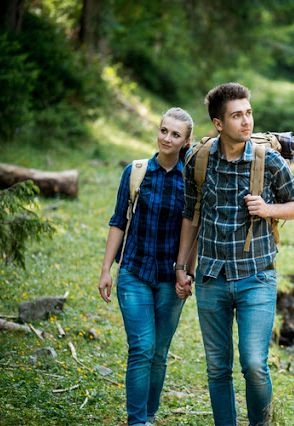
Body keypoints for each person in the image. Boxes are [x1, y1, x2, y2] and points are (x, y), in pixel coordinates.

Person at [174, 83, 294, 425]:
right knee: (218, 368)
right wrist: (182, 267)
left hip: (257, 276)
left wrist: (267, 209)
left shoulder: (269, 160)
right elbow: (191, 216)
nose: (246, 121)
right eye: (237, 116)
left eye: (248, 113)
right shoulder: (197, 160)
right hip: (211, 278)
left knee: (253, 364)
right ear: (218, 124)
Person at [98, 107, 196, 426]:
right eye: (163, 130)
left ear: (186, 141)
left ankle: (149, 416)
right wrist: (106, 270)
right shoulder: (136, 172)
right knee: (142, 347)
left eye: (175, 134)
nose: (167, 138)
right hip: (134, 272)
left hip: (170, 279)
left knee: (159, 352)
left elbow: (195, 230)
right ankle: (137, 421)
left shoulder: (191, 181)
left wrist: (188, 273)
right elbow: (118, 220)